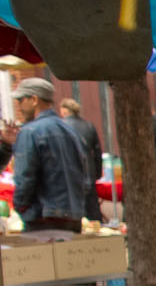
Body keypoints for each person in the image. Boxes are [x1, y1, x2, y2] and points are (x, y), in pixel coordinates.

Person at [6, 78, 90, 232]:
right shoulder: (71, 131)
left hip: (43, 217)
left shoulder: (30, 131)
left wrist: (20, 206)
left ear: (34, 100)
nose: (18, 106)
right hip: (72, 215)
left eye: (20, 100)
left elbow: (25, 177)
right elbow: (85, 176)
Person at [56, 98, 105, 223]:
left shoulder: (60, 127)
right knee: (93, 212)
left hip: (70, 174)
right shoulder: (88, 125)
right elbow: (97, 152)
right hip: (89, 172)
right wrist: (97, 173)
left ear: (64, 111)